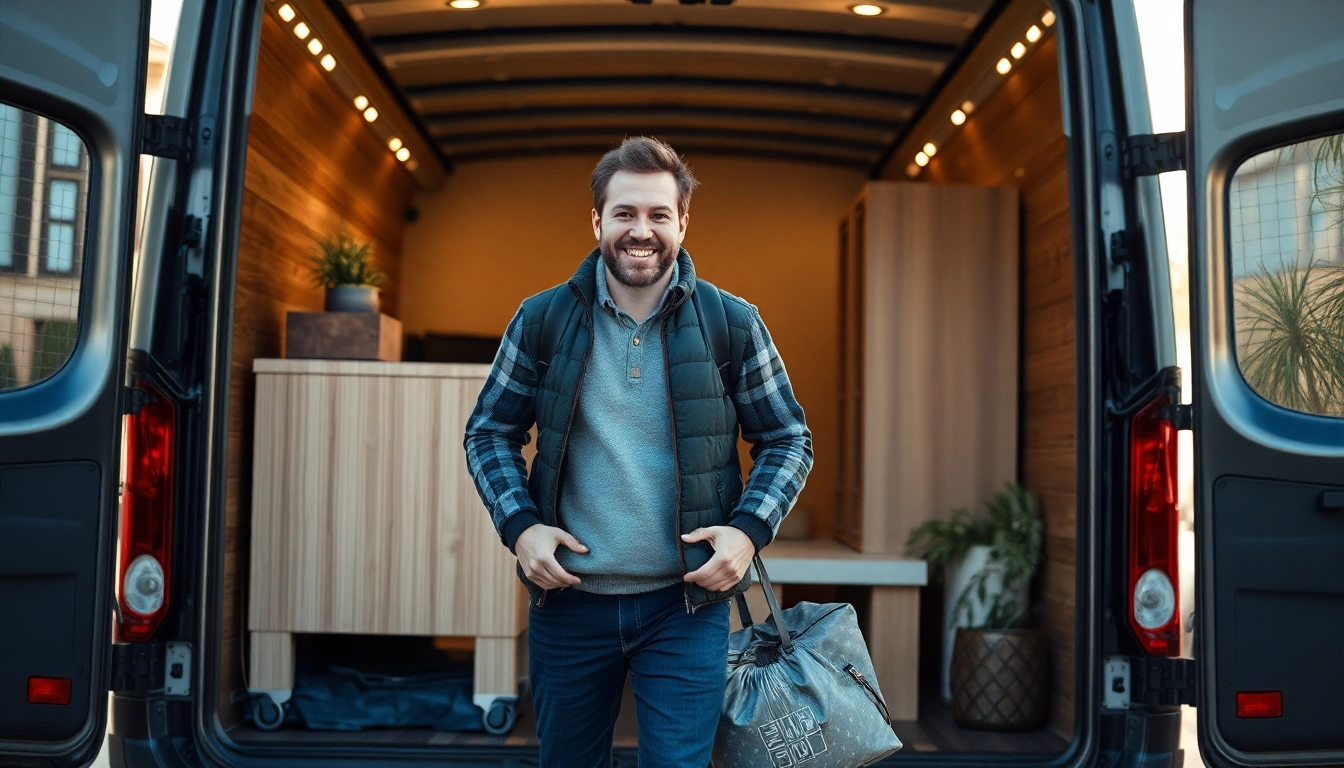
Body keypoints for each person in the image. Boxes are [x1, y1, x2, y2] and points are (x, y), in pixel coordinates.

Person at [463, 136, 813, 767]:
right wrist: (520, 528)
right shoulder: (541, 319)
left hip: (685, 608)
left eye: (658, 214)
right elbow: (489, 432)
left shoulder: (732, 323)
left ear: (683, 223)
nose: (641, 230)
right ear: (597, 221)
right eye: (624, 213)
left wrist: (747, 532)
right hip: (568, 604)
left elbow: (787, 438)